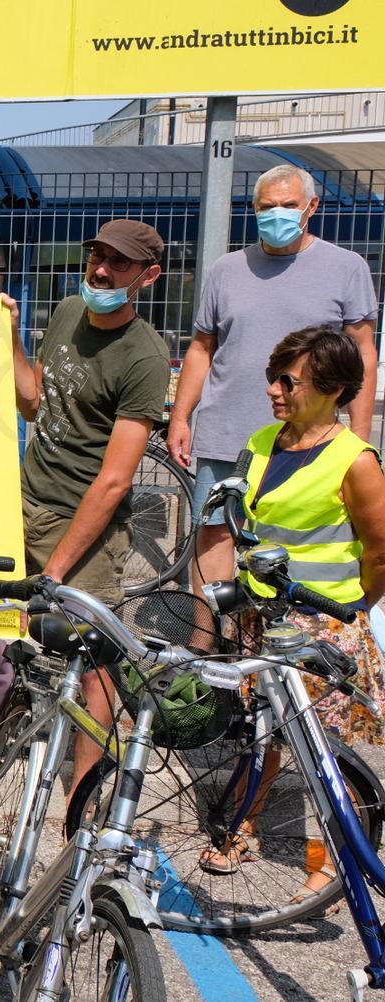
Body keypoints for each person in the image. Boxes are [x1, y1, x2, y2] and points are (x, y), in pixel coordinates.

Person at [207, 326, 385, 895]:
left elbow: (380, 551)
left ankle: (330, 864)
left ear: (332, 389)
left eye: (288, 381)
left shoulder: (355, 460)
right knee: (260, 733)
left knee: (326, 751)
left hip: (322, 626)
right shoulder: (263, 442)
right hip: (262, 619)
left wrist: (350, 609)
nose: (273, 391)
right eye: (273, 378)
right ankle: (244, 827)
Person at [4, 219, 171, 794]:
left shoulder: (144, 356)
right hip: (26, 500)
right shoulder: (69, 311)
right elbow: (35, 404)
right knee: (13, 635)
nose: (101, 269)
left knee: (94, 660)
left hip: (85, 528)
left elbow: (115, 481)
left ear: (148, 276)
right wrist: (14, 339)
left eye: (119, 263)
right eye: (97, 255)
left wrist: (55, 568)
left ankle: (83, 799)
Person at [169, 164, 379, 587]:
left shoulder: (346, 267)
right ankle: (209, 629)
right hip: (227, 433)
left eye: (288, 205)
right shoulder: (227, 269)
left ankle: (289, 625)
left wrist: (358, 437)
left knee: (296, 541)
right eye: (266, 207)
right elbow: (202, 348)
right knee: (213, 536)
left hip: (309, 440)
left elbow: (362, 353)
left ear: (312, 207)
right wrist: (180, 417)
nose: (276, 214)